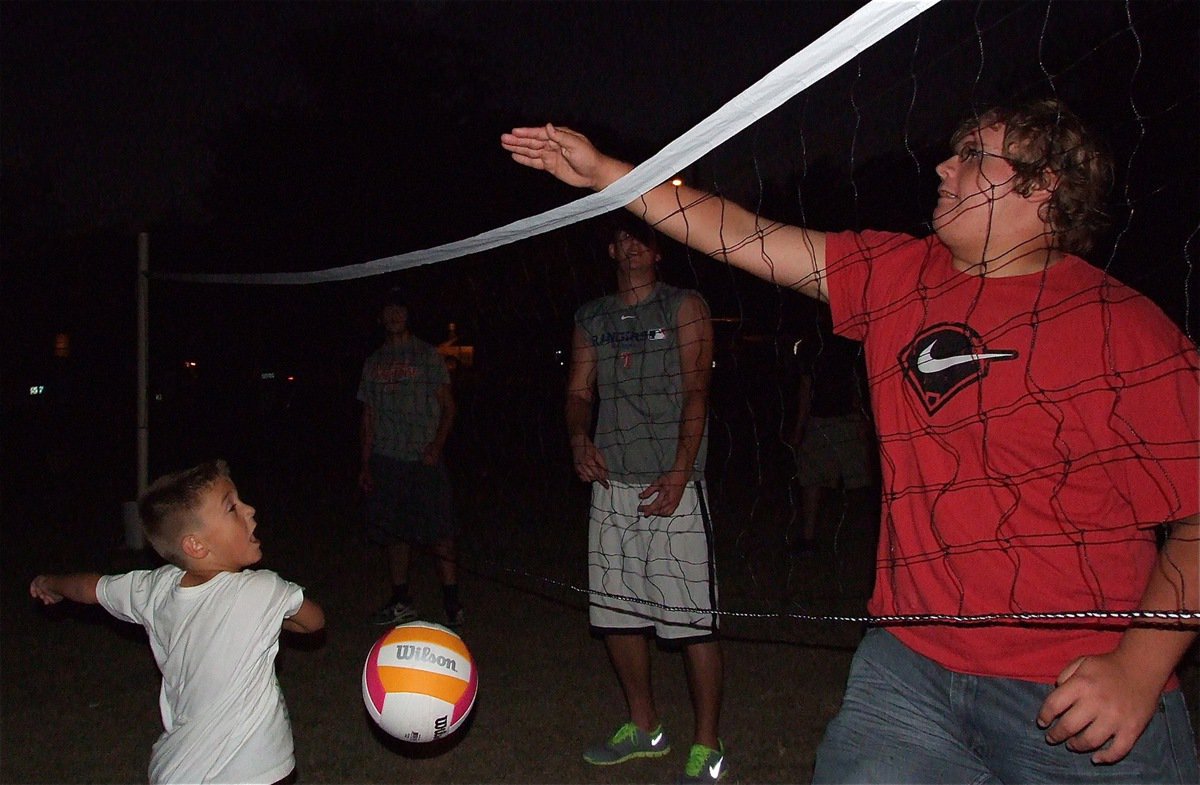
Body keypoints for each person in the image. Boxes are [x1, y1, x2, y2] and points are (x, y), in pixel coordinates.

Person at [503, 97, 1199, 783]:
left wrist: (1139, 669)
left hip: (1076, 685)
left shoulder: (1126, 329)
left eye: (971, 156)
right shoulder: (896, 274)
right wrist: (606, 174)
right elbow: (736, 230)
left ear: (1043, 185)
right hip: (909, 667)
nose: (942, 167)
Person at [29, 459, 325, 784]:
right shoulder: (263, 589)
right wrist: (274, 612)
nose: (250, 510)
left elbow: (91, 588)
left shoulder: (154, 587)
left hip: (178, 769)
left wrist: (51, 584)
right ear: (196, 545)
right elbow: (314, 622)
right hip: (253, 769)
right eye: (232, 508)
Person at [567, 215, 726, 783]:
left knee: (691, 622)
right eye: (622, 238)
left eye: (642, 238)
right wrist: (579, 436)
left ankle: (707, 741)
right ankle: (644, 727)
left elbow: (697, 391)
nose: (631, 246)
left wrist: (683, 470)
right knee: (617, 616)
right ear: (612, 248)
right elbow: (579, 392)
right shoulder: (592, 317)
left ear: (659, 250)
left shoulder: (685, 306)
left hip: (673, 486)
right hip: (612, 487)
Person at [357, 288, 463, 629]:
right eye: (387, 309)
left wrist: (436, 445)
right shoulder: (373, 363)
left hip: (424, 459)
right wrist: (366, 462)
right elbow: (368, 416)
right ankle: (401, 599)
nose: (393, 315)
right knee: (394, 534)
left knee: (440, 531)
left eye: (399, 308)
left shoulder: (426, 355)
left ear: (408, 314)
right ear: (380, 317)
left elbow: (449, 407)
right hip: (387, 459)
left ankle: (452, 601)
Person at [787, 320, 874, 555]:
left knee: (854, 483)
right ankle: (811, 539)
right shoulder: (834, 342)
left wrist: (799, 430)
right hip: (827, 421)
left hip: (840, 420)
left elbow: (854, 382)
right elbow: (807, 388)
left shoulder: (840, 342)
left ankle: (859, 538)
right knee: (819, 481)